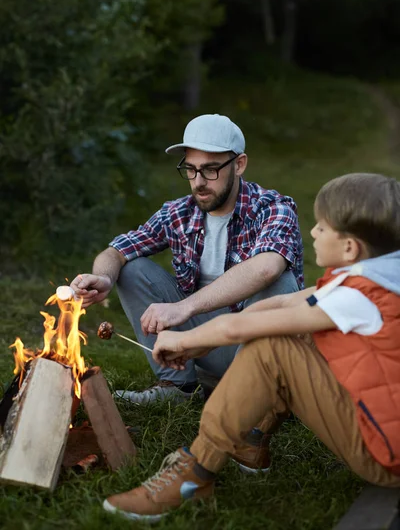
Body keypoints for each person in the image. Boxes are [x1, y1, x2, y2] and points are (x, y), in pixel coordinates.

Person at [102, 172, 400, 522]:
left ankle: (196, 473)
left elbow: (241, 326)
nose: (314, 232)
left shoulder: (360, 297)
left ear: (350, 247)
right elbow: (277, 307)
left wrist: (184, 339)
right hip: (383, 428)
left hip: (384, 455)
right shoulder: (381, 275)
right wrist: (204, 342)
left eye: (322, 227)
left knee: (272, 347)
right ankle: (250, 440)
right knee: (284, 335)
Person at [71, 114, 303, 404]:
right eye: (190, 170)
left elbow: (267, 268)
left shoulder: (273, 207)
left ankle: (254, 394)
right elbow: (117, 250)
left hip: (257, 341)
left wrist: (184, 307)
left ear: (239, 164)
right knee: (131, 268)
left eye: (210, 170)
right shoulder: (179, 213)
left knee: (280, 280)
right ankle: (178, 387)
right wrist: (104, 277)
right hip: (204, 343)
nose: (199, 182)